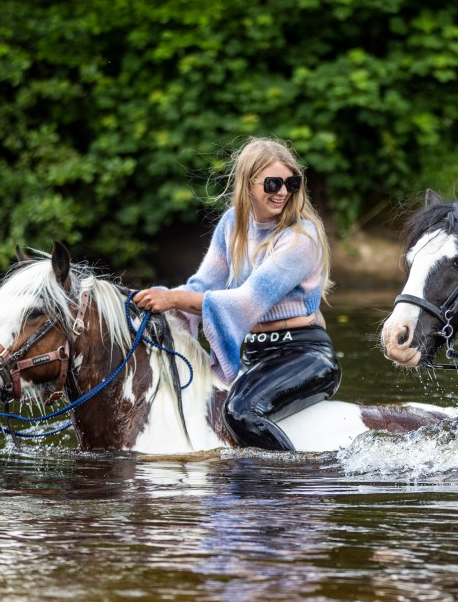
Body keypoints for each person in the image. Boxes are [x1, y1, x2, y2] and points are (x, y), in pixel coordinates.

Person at [133, 137, 340, 451]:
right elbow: (202, 287)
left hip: (304, 356)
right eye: (272, 184)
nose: (283, 192)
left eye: (291, 183)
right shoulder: (232, 225)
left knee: (240, 413)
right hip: (255, 355)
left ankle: (295, 477)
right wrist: (153, 300)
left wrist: (173, 300)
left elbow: (247, 301)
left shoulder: (302, 237)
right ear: (249, 184)